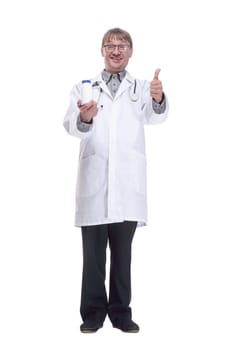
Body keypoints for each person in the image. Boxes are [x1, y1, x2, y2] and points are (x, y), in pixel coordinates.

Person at [63, 27, 169, 333]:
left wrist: (159, 98)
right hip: (94, 182)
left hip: (128, 185)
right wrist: (85, 118)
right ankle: (93, 313)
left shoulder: (143, 88)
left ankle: (121, 312)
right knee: (93, 258)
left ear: (131, 52)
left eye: (122, 45)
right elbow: (70, 125)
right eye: (110, 45)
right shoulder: (84, 88)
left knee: (123, 256)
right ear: (102, 51)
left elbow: (156, 116)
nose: (116, 50)